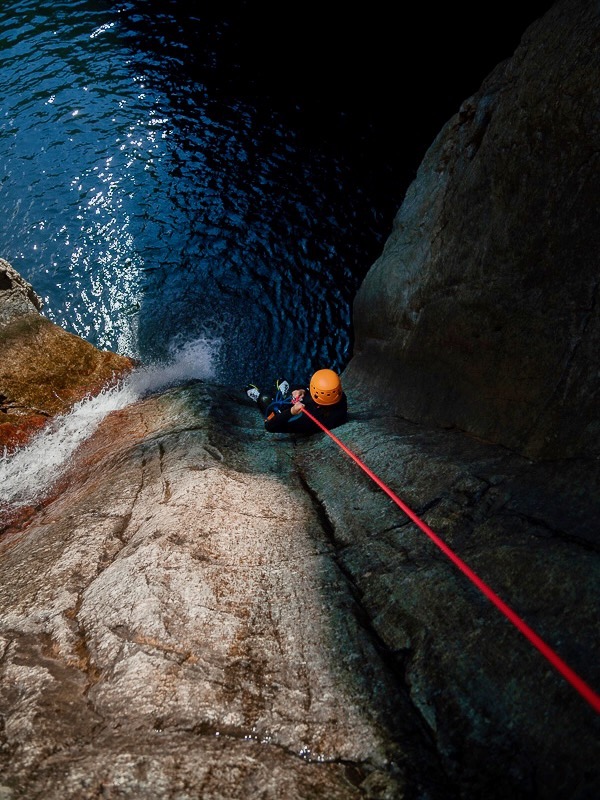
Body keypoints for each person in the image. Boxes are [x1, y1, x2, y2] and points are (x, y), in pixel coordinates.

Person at [245, 369, 348, 435]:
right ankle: (285, 392)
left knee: (265, 399)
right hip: (312, 407)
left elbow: (269, 426)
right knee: (294, 391)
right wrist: (302, 391)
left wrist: (291, 412)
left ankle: (257, 397)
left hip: (292, 416)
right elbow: (309, 389)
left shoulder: (305, 419)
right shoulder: (340, 399)